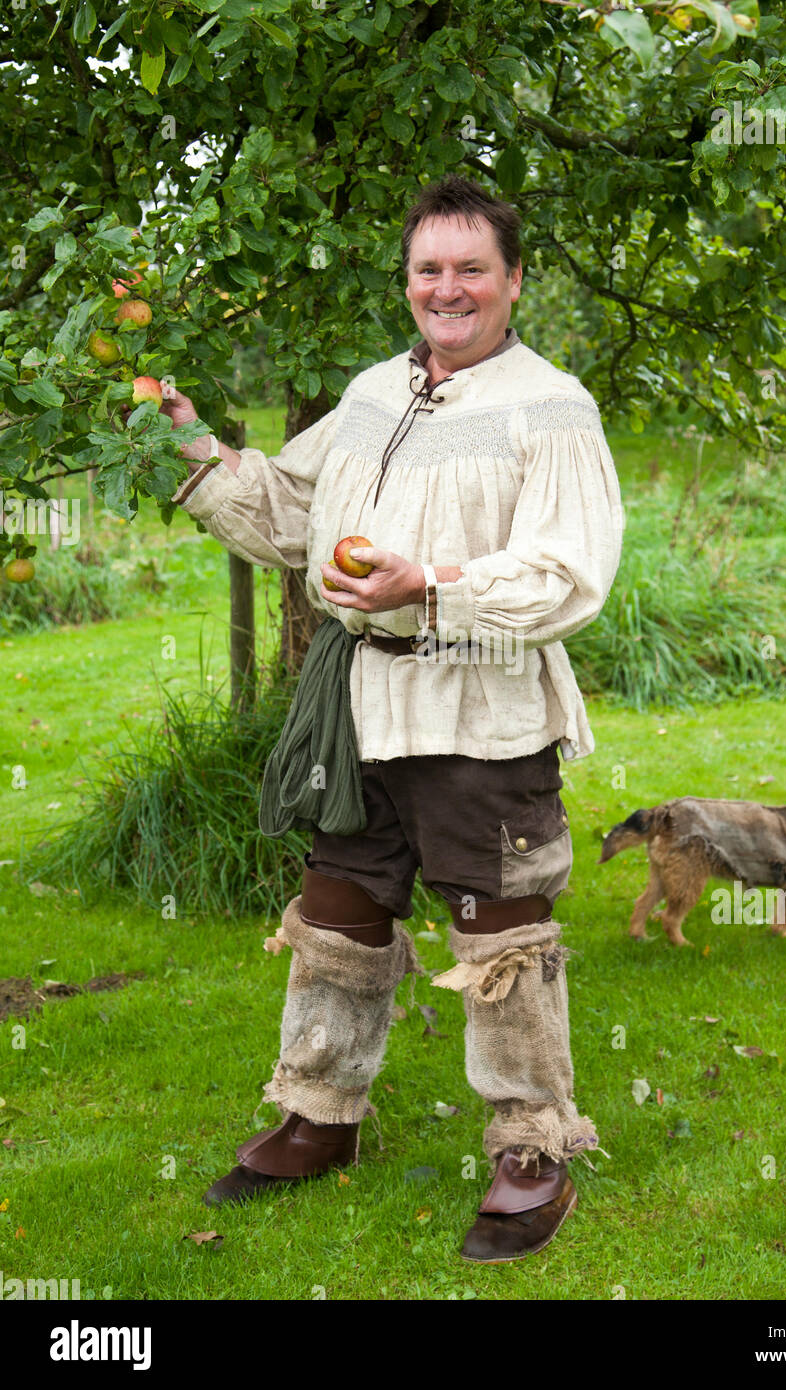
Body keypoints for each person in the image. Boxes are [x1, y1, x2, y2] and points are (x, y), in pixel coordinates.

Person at [163, 175, 623, 1263]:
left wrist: (434, 585)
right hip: (360, 707)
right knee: (339, 911)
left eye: (473, 268)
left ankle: (530, 1147)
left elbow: (569, 574)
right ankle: (318, 1116)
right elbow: (290, 517)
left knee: (500, 935)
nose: (448, 289)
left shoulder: (551, 406)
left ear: (512, 281)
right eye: (429, 269)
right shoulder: (374, 391)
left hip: (483, 708)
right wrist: (190, 444)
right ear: (406, 280)